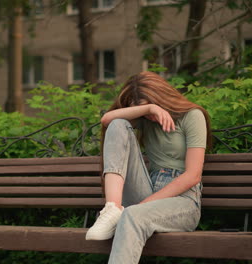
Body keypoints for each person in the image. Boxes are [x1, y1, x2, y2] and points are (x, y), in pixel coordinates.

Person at [85, 71, 212, 264]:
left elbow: (193, 176)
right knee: (118, 124)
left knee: (133, 215)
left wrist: (141, 207)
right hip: (147, 189)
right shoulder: (146, 119)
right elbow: (107, 120)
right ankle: (112, 209)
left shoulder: (192, 116)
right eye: (142, 111)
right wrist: (149, 109)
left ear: (162, 96)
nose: (150, 118)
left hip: (183, 201)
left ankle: (121, 212)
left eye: (150, 106)